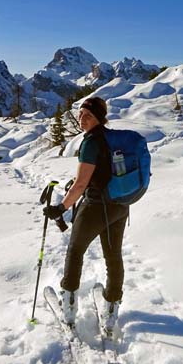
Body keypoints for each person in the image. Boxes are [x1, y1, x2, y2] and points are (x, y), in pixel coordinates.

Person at [43, 96, 129, 331]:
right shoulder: (111, 139)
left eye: (88, 115)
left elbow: (81, 185)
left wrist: (61, 208)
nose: (82, 118)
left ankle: (69, 309)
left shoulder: (91, 142)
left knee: (75, 250)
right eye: (80, 114)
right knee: (113, 257)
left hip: (95, 207)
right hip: (120, 207)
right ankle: (111, 309)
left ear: (99, 118)